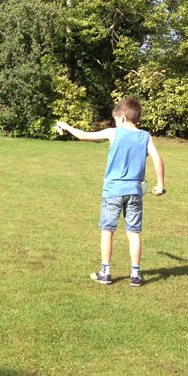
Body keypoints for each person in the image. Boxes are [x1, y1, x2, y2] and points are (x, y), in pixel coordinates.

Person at [56, 97, 165, 287]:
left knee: (107, 231)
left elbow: (83, 135)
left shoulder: (114, 132)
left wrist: (65, 125)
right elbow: (157, 157)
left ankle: (105, 272)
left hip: (113, 191)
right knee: (134, 233)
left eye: (115, 119)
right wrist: (160, 184)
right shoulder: (145, 136)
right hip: (134, 192)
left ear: (122, 117)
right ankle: (135, 275)